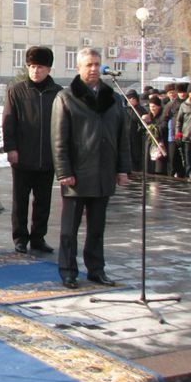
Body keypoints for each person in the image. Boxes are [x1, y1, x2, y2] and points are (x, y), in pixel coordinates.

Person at [51, 48, 130, 289]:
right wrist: (64, 171)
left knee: (97, 228)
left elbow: (122, 137)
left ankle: (96, 270)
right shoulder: (66, 97)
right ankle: (68, 271)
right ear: (78, 68)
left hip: (103, 172)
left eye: (97, 64)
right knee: (69, 230)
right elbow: (59, 139)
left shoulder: (113, 99)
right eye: (89, 65)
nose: (94, 69)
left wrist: (122, 168)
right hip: (77, 173)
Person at [2, 46, 62, 254]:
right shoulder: (16, 91)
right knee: (20, 200)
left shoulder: (58, 93)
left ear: (49, 69)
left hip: (48, 157)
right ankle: (20, 237)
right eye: (32, 66)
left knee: (43, 200)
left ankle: (38, 237)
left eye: (40, 67)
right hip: (23, 155)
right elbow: (8, 122)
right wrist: (11, 148)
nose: (36, 71)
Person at [141, 95, 168, 175]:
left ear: (159, 106)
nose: (152, 108)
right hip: (149, 144)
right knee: (149, 167)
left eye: (154, 106)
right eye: (150, 106)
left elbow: (163, 128)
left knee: (159, 168)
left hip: (159, 144)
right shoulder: (149, 116)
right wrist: (144, 122)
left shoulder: (163, 116)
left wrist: (151, 125)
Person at [124, 89, 148, 173]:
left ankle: (137, 169)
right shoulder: (124, 110)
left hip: (137, 136)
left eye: (133, 99)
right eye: (129, 99)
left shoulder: (141, 110)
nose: (131, 100)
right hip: (126, 136)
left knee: (136, 154)